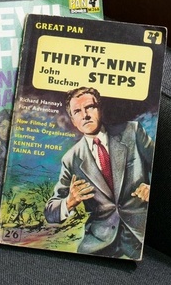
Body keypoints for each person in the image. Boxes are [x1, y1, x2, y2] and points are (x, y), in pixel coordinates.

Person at [44, 87, 153, 259]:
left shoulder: (132, 131)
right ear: (73, 120)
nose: (85, 115)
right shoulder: (71, 159)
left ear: (100, 109)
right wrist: (69, 201)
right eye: (77, 111)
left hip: (139, 232)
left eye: (90, 107)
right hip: (99, 239)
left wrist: (150, 189)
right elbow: (50, 211)